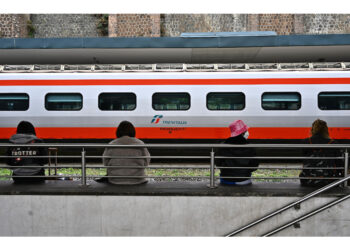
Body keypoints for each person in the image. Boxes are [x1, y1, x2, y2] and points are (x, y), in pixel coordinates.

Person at [299, 119, 344, 187]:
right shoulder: (333, 143)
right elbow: (339, 164)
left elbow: (303, 159)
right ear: (326, 130)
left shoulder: (305, 142)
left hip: (307, 181)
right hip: (329, 182)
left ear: (312, 129)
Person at [216, 120, 259, 185]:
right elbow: (254, 166)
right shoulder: (250, 147)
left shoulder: (223, 145)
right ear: (243, 132)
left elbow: (218, 163)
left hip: (226, 180)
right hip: (244, 180)